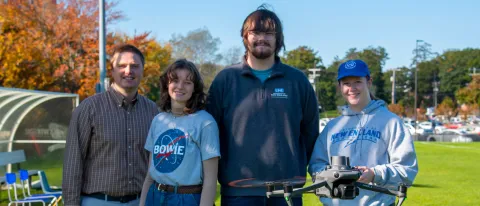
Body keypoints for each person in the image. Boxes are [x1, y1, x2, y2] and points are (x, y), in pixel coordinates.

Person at [206, 5, 319, 206]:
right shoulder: (225, 80)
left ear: (278, 39)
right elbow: (210, 134)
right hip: (238, 191)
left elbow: (310, 134)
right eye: (255, 32)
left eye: (269, 33)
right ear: (245, 36)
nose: (262, 38)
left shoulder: (297, 81)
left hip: (287, 190)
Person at [308, 59, 418, 206]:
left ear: (369, 82)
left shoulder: (391, 122)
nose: (352, 88)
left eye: (357, 82)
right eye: (346, 83)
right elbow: (316, 165)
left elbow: (407, 170)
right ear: (340, 86)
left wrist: (374, 174)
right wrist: (332, 175)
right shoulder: (332, 127)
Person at [63, 44, 159, 206]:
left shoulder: (152, 111)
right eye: (122, 66)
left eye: (135, 66)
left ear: (142, 70)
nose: (128, 71)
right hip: (98, 201)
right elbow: (73, 162)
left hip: (141, 201)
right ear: (112, 71)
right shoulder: (89, 108)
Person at [139, 59, 220, 206]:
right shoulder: (158, 120)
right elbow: (150, 175)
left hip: (187, 198)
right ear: (167, 84)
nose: (180, 86)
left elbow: (210, 180)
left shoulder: (205, 122)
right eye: (175, 80)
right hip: (155, 195)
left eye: (187, 82)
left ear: (195, 88)